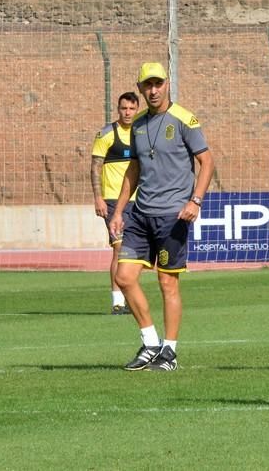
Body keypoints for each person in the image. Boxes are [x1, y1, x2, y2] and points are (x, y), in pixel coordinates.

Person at [109, 62, 214, 372]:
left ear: (167, 84)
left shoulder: (185, 119)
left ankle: (170, 351)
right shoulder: (137, 125)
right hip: (140, 213)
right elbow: (134, 168)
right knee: (124, 277)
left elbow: (207, 162)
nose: (153, 90)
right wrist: (118, 210)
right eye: (147, 85)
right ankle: (150, 342)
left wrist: (195, 200)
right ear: (140, 88)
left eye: (158, 84)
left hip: (172, 215)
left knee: (167, 283)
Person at [91, 91, 140, 315]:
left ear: (137, 109)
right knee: (119, 249)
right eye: (123, 108)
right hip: (112, 200)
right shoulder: (107, 133)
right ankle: (117, 300)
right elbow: (95, 167)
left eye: (131, 108)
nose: (127, 112)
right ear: (118, 109)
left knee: (134, 251)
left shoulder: (142, 132)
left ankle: (130, 297)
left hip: (138, 200)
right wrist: (98, 197)